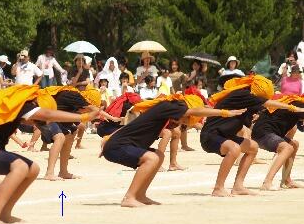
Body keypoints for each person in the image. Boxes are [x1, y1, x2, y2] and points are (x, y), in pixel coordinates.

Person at [0, 85, 100, 224]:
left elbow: (46, 115)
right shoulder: (22, 106)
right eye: (37, 120)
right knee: (20, 167)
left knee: (33, 169)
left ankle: (4, 213)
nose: (34, 123)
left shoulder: (16, 107)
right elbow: (47, 114)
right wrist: (84, 116)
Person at [101, 94, 244, 207]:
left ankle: (140, 195)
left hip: (118, 143)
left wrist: (108, 138)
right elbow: (195, 110)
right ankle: (129, 197)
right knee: (152, 158)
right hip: (118, 146)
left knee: (158, 156)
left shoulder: (167, 108)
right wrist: (225, 112)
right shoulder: (172, 106)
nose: (185, 122)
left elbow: (131, 126)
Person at [200, 75, 304, 197]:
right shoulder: (242, 95)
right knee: (234, 149)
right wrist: (291, 107)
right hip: (211, 135)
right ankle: (218, 188)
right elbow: (269, 103)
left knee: (253, 147)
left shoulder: (248, 99)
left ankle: (238, 186)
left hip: (224, 135)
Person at [251, 95, 304, 190]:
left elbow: (301, 127)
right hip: (263, 133)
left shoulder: (297, 102)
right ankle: (267, 182)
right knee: (287, 148)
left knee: (294, 144)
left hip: (267, 132)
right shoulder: (299, 104)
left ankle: (287, 181)